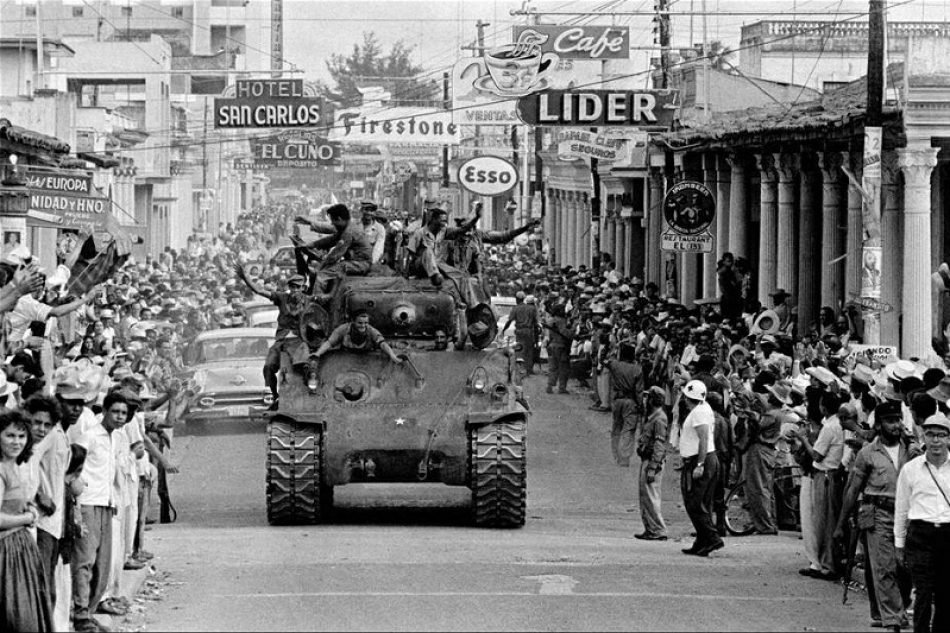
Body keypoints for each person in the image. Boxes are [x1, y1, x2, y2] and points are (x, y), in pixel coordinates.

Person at [836, 399, 916, 631]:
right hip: (878, 514)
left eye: (898, 420)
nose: (896, 425)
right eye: (890, 421)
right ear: (879, 425)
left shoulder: (910, 449)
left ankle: (888, 610)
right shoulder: (867, 453)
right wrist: (841, 523)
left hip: (907, 516)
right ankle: (893, 617)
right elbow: (853, 489)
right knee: (884, 566)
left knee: (905, 568)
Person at [67, 390, 132, 632]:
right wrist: (75, 487)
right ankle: (81, 613)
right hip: (87, 502)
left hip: (106, 503)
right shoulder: (91, 435)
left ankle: (90, 611)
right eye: (115, 411)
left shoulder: (116, 437)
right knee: (85, 560)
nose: (119, 417)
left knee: (103, 565)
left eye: (124, 413)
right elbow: (73, 459)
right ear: (104, 411)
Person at [895, 413, 950, 633]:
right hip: (920, 535)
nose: (936, 441)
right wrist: (899, 544)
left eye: (941, 435)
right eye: (931, 435)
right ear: (923, 438)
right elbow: (901, 509)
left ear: (948, 439)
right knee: (923, 593)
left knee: (946, 594)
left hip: (947, 534)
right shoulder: (911, 469)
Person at [0, 409, 53, 632]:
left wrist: (26, 508)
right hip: (5, 551)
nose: (17, 442)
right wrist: (28, 517)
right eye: (10, 436)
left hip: (19, 549)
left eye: (21, 436)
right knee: (16, 618)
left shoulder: (14, 466)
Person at [233, 266, 312, 408]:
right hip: (282, 339)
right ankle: (276, 397)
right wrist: (245, 278)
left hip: (300, 339)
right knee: (268, 366)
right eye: (293, 287)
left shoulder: (309, 301)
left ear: (303, 288)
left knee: (304, 366)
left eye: (298, 287)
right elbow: (259, 291)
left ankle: (310, 392)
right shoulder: (282, 298)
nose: (295, 290)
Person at [25, 394, 70, 619]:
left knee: (47, 584)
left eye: (47, 425)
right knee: (39, 586)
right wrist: (38, 494)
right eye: (37, 422)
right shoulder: (21, 446)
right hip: (33, 523)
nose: (41, 429)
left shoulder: (50, 437)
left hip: (49, 521)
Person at [678, 380, 723, 556]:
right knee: (701, 502)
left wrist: (700, 464)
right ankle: (702, 540)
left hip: (700, 459)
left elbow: (703, 439)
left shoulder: (698, 413)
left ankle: (712, 537)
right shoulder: (703, 409)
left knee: (694, 502)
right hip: (703, 458)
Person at [635, 385, 669, 541]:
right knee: (646, 496)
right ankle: (650, 528)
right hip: (647, 459)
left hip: (652, 461)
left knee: (651, 495)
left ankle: (657, 529)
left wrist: (653, 466)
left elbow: (659, 444)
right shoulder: (653, 416)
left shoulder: (659, 418)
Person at [312, 310, 404, 365]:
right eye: (360, 323)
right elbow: (329, 343)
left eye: (366, 323)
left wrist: (392, 355)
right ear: (353, 322)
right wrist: (318, 354)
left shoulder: (371, 331)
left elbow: (382, 344)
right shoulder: (343, 329)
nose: (363, 326)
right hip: (345, 358)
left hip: (366, 359)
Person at [605, 343, 644, 467]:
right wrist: (640, 404)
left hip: (617, 400)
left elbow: (604, 360)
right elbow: (639, 390)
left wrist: (613, 349)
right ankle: (624, 457)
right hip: (631, 401)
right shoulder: (637, 369)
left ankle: (615, 454)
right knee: (628, 429)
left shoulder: (615, 365)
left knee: (616, 427)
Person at [502, 292, 538, 375]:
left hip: (520, 332)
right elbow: (535, 322)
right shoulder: (530, 308)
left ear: (517, 299)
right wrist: (535, 335)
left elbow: (509, 321)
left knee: (520, 350)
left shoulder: (516, 308)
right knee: (529, 351)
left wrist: (504, 329)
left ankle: (520, 370)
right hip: (529, 331)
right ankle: (529, 370)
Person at [543, 302, 572, 395]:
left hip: (552, 345)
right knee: (564, 367)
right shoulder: (561, 320)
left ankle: (549, 386)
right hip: (561, 346)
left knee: (553, 367)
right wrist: (573, 332)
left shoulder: (551, 320)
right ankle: (562, 388)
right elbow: (565, 333)